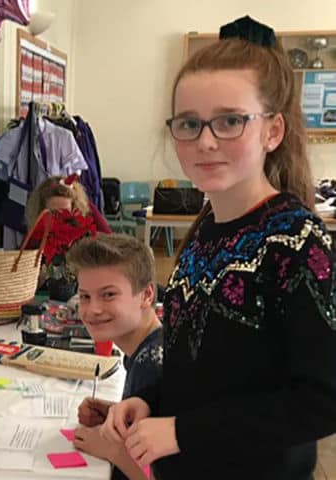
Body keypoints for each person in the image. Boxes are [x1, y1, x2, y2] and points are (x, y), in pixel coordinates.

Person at [100, 15, 336, 480]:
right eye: (190, 123)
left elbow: (323, 400)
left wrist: (183, 431)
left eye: (230, 121)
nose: (206, 141)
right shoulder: (206, 229)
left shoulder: (299, 244)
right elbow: (200, 363)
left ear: (273, 131)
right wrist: (149, 402)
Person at [66, 233, 162, 480]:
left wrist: (112, 449)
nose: (93, 309)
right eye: (85, 296)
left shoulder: (152, 366)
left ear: (147, 295)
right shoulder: (147, 350)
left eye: (108, 294)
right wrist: (115, 416)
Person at [24, 174, 112, 236]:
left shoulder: (87, 226)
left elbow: (109, 240)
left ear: (74, 209)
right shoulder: (35, 236)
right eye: (54, 213)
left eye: (65, 212)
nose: (60, 218)